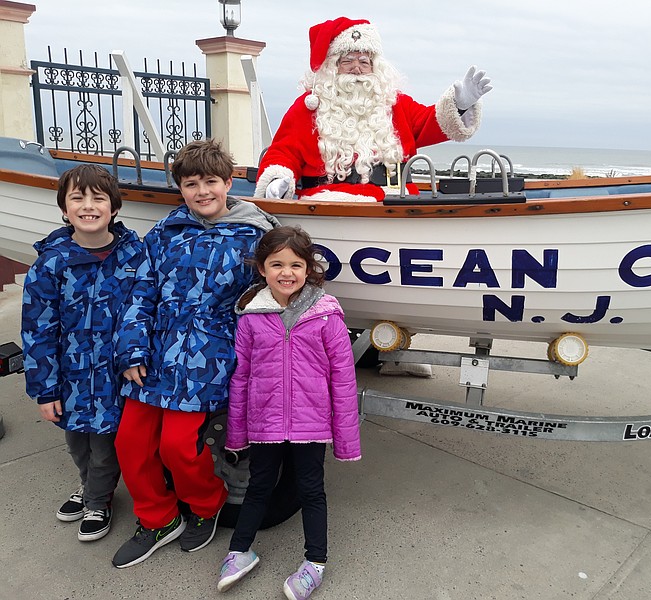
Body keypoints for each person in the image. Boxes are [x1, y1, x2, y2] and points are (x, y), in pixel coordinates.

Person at [111, 139, 280, 568]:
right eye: (191, 184)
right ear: (181, 189)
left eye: (210, 181)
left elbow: (272, 297)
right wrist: (131, 349)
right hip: (155, 353)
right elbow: (142, 290)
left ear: (228, 182)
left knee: (178, 447)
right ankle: (158, 518)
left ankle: (206, 505)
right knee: (130, 442)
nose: (202, 191)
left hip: (210, 358)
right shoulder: (167, 232)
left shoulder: (255, 235)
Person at [216, 226, 361, 598]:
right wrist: (236, 434)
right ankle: (239, 551)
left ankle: (315, 562)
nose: (286, 272)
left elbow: (343, 379)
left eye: (296, 264)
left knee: (311, 490)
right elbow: (241, 377)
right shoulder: (250, 318)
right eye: (276, 263)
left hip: (312, 426)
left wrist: (346, 441)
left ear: (308, 269)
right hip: (264, 424)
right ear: (262, 269)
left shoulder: (326, 316)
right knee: (258, 487)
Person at [21, 164, 144, 542]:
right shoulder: (50, 264)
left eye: (98, 198)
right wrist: (45, 390)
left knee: (105, 445)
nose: (88, 206)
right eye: (78, 197)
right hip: (70, 378)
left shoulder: (134, 256)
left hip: (113, 378)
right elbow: (37, 330)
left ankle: (98, 500)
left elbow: (142, 309)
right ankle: (88, 485)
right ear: (64, 209)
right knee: (77, 441)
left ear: (114, 208)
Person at [254, 16, 492, 202]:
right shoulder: (309, 107)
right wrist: (279, 178)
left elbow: (431, 122)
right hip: (330, 205)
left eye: (364, 61)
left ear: (374, 67)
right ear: (331, 67)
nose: (356, 69)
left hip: (396, 203)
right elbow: (283, 152)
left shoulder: (395, 103)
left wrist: (460, 105)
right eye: (347, 61)